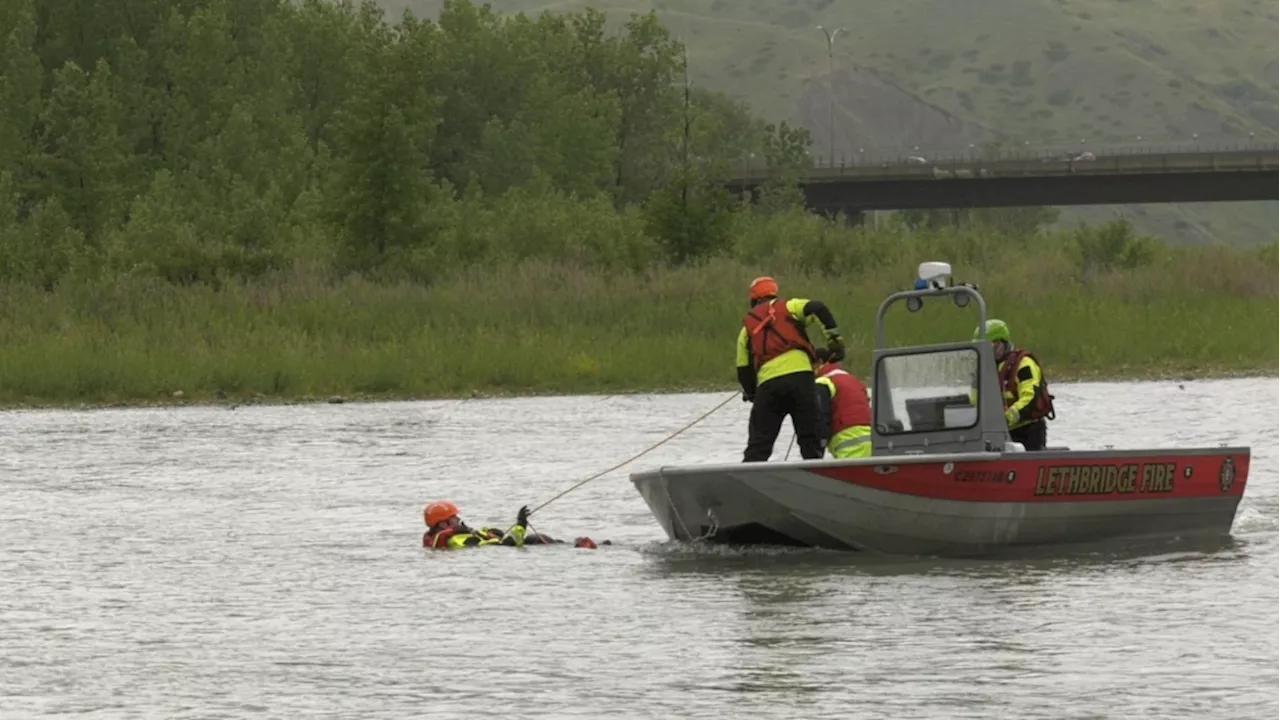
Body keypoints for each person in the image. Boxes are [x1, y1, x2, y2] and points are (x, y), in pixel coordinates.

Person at [736, 276, 846, 462]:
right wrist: (834, 341)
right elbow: (817, 308)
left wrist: (752, 394)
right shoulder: (789, 306)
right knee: (810, 439)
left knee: (759, 444)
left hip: (769, 386)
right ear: (774, 294)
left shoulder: (747, 329)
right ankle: (816, 476)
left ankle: (748, 479)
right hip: (801, 380)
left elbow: (743, 369)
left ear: (753, 300)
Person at [973, 319, 1056, 451]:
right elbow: (975, 398)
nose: (987, 352)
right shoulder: (983, 369)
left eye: (991, 346)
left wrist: (1008, 417)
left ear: (1002, 343)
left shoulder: (1023, 364)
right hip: (995, 432)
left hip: (1027, 430)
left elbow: (1029, 396)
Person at [422, 501, 604, 549]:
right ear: (443, 523)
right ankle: (581, 548)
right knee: (535, 539)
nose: (459, 520)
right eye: (454, 518)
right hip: (505, 549)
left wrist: (491, 531)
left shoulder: (458, 535)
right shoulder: (458, 541)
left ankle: (580, 545)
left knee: (540, 539)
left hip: (509, 546)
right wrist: (520, 525)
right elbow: (504, 546)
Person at [812, 347, 873, 458]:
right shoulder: (852, 379)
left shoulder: (822, 382)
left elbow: (821, 418)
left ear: (819, 362)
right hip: (873, 439)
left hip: (848, 444)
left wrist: (818, 446)